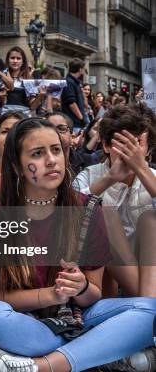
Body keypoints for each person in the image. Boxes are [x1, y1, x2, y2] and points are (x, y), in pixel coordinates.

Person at [0, 117, 156, 372]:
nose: (51, 160)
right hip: (25, 320)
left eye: (56, 150)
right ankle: (95, 351)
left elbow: (94, 294)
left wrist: (80, 288)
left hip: (78, 317)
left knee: (150, 310)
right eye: (37, 153)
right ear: (16, 165)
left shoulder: (86, 209)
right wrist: (50, 295)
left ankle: (43, 365)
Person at [73, 103, 156, 298]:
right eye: (122, 143)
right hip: (103, 274)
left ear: (148, 148)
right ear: (106, 145)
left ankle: (145, 306)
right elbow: (65, 215)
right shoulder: (89, 176)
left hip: (149, 267)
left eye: (136, 142)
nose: (129, 151)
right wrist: (109, 179)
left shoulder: (152, 176)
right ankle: (148, 307)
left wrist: (142, 171)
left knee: (150, 219)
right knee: (104, 214)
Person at [0, 47, 35, 116]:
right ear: (8, 60)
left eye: (18, 58)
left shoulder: (29, 79)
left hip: (24, 116)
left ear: (23, 61)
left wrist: (41, 95)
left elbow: (32, 105)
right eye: (12, 58)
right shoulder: (1, 75)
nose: (15, 61)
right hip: (5, 115)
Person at [61, 58, 89, 133]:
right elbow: (72, 103)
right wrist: (81, 118)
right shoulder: (69, 82)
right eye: (83, 69)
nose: (83, 71)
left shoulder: (76, 82)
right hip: (74, 123)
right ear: (80, 69)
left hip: (77, 123)